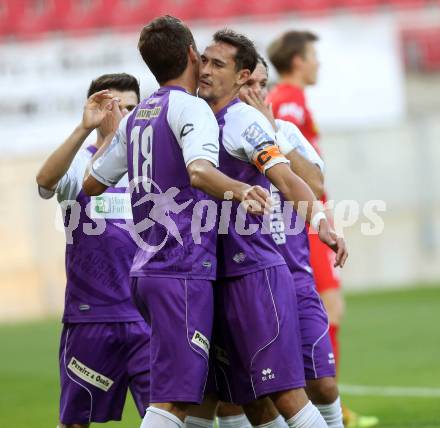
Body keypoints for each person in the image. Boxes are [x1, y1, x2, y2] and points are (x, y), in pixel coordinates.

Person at [82, 16, 270, 428]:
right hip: (180, 270)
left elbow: (92, 182)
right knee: (173, 402)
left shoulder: (137, 116)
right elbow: (200, 171)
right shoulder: (191, 108)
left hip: (146, 271)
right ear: (190, 55)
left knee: (202, 394)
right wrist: (242, 191)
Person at [191, 29, 347, 428]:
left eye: (217, 64)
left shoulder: (259, 125)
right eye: (204, 62)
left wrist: (320, 223)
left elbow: (303, 184)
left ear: (244, 77)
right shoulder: (197, 122)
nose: (205, 70)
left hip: (269, 274)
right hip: (216, 275)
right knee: (242, 397)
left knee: (304, 389)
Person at [267, 30, 378, 428]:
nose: (318, 63)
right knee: (328, 307)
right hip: (303, 219)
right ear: (297, 60)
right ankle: (328, 401)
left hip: (305, 216)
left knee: (321, 308)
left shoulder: (285, 100)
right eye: (313, 55)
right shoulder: (288, 103)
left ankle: (323, 398)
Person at [36, 73, 150, 427]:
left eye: (130, 107)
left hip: (150, 317)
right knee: (75, 422)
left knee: (169, 417)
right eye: (110, 106)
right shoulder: (78, 163)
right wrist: (83, 129)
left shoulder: (150, 166)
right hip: (92, 317)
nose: (120, 114)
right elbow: (44, 182)